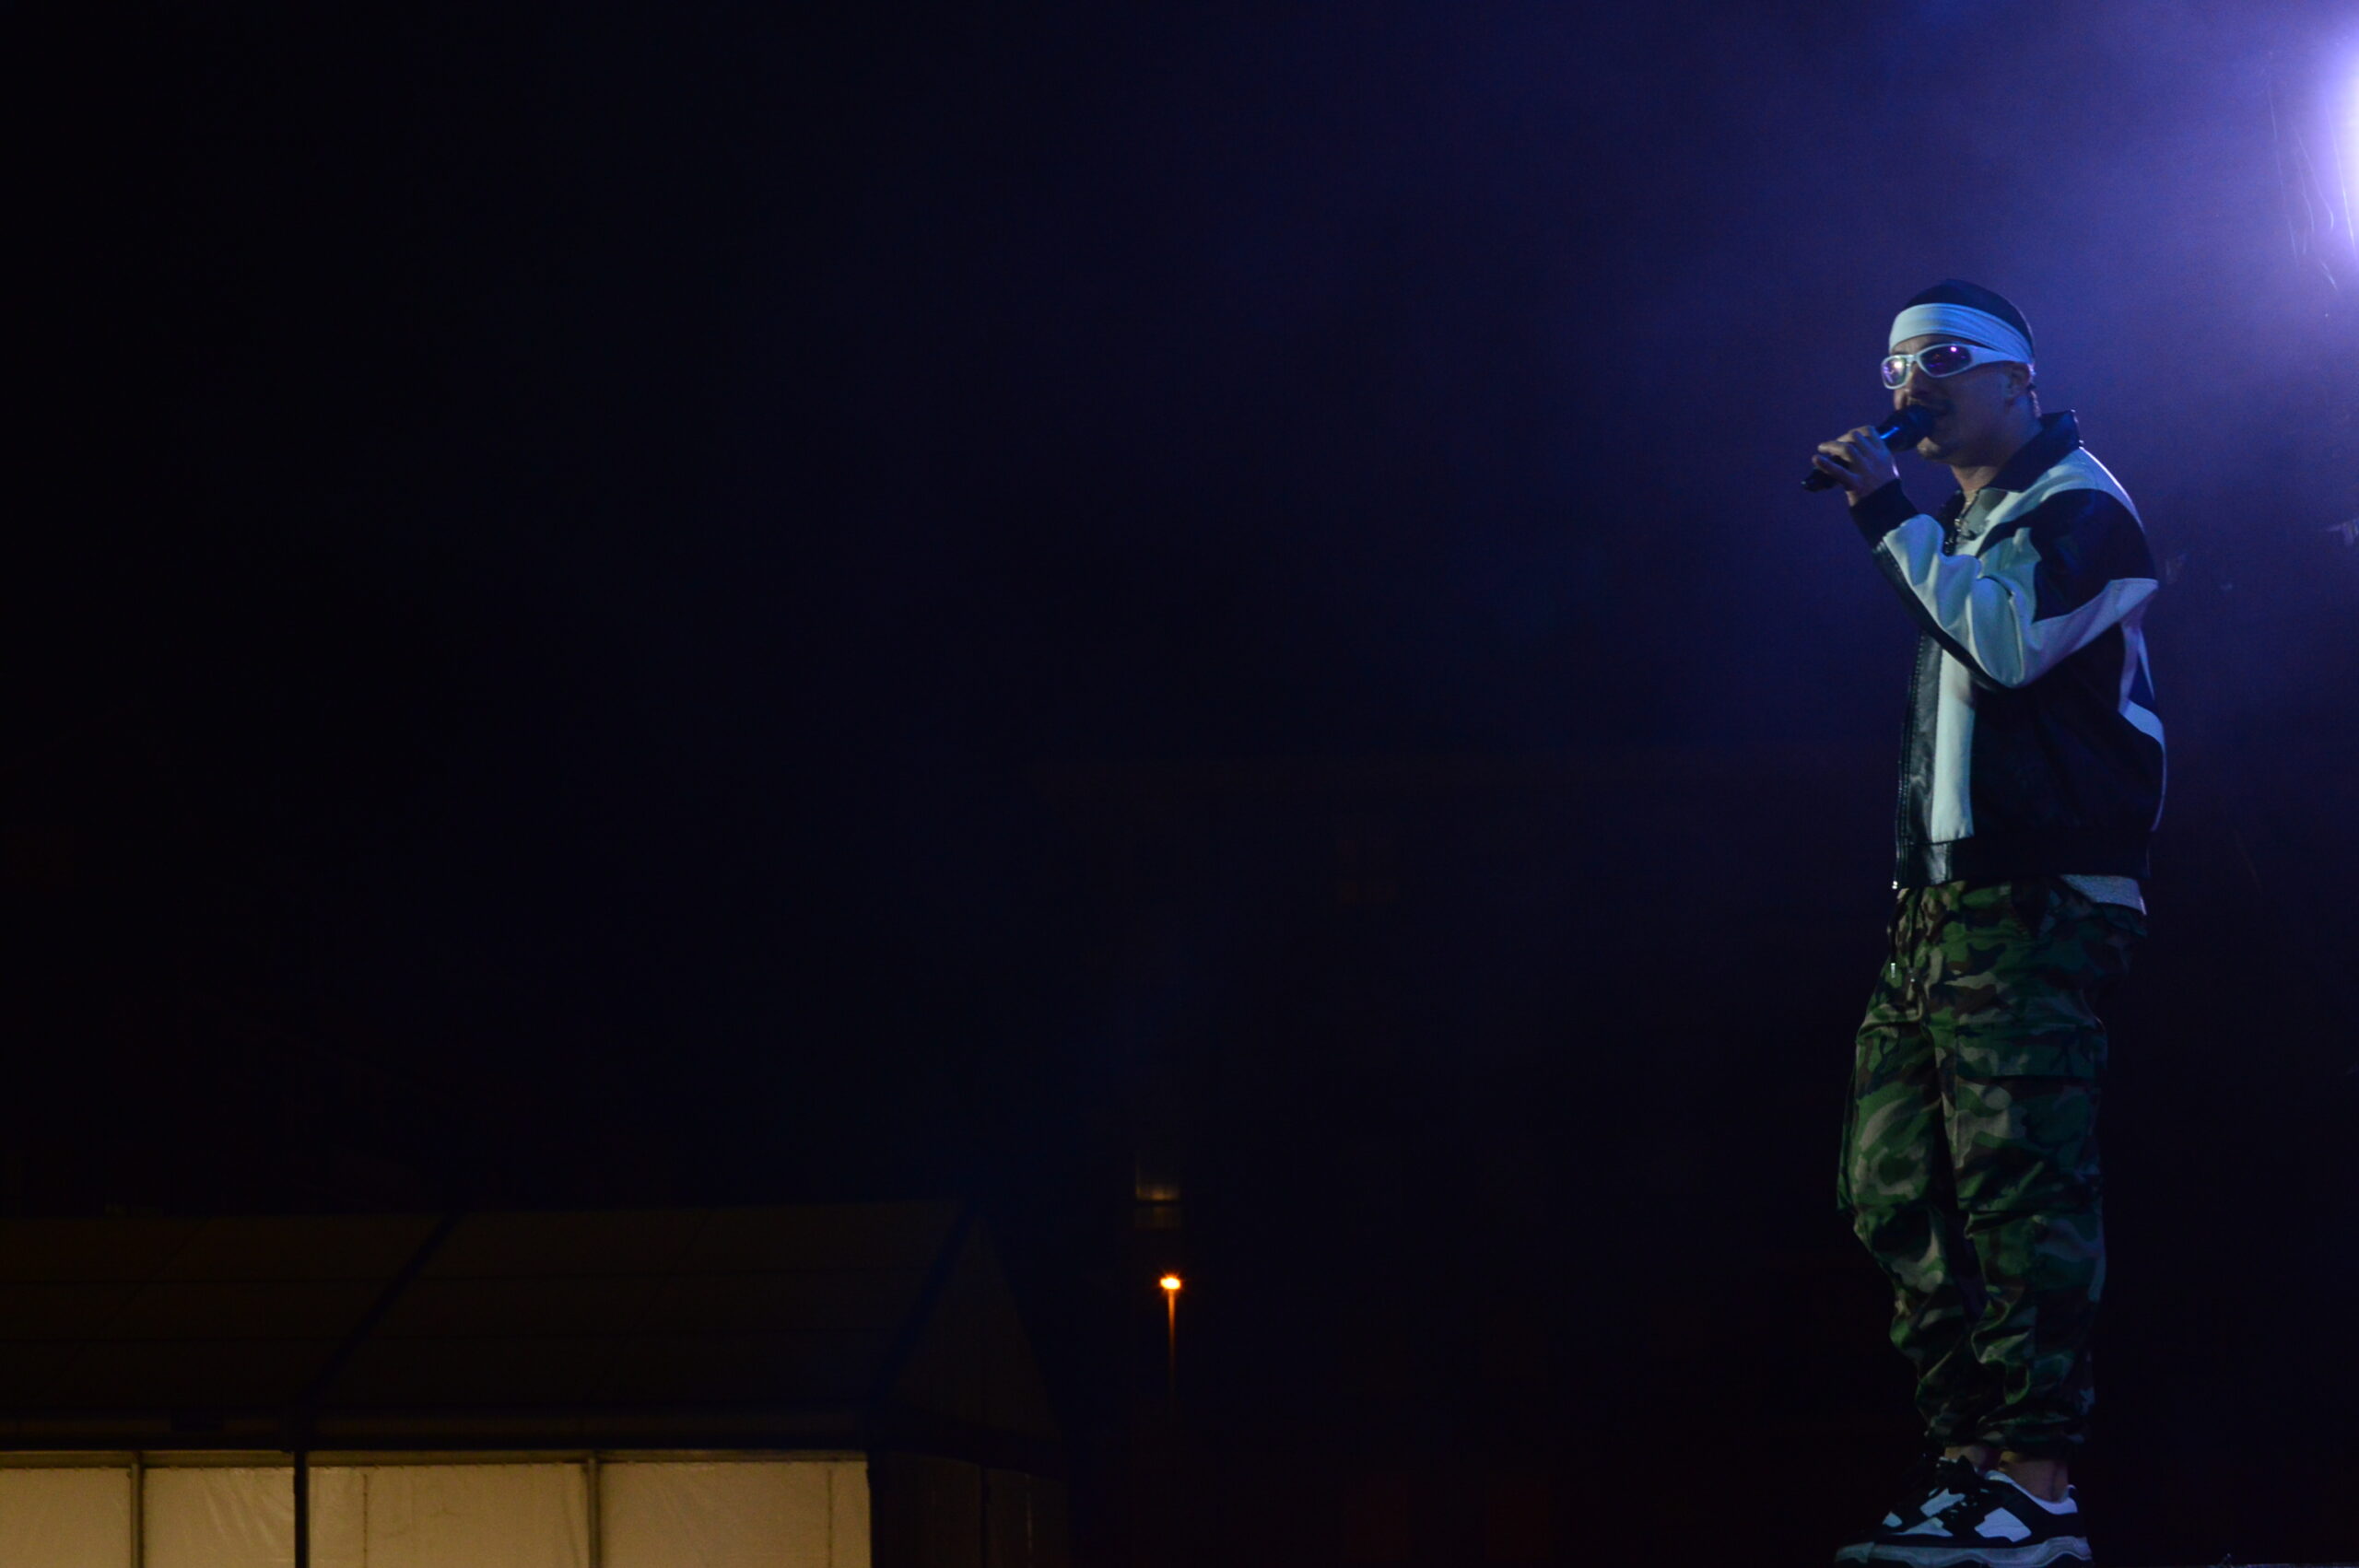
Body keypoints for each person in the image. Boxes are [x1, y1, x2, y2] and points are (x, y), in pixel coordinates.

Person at [1811, 280, 2165, 1567]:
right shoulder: (1972, 519)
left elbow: (2009, 647)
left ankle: (2038, 1473)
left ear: (2018, 378)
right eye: (1897, 362)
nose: (1912, 384)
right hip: (1942, 905)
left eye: (1943, 360)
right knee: (1893, 1181)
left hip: (2038, 901)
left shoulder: (2083, 506)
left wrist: (1886, 518)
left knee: (2020, 1183)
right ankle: (1969, 1465)